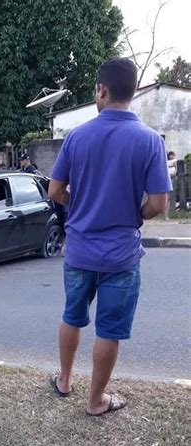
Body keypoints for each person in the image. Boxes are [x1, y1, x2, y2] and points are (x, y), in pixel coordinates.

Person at [48, 57, 170, 416]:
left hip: (79, 252)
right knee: (109, 330)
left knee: (72, 317)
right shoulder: (149, 141)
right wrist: (135, 214)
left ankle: (65, 381)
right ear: (131, 92)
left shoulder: (77, 136)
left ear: (101, 90)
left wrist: (79, 203)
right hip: (121, 256)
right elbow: (160, 203)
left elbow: (56, 190)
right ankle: (96, 400)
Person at [166, 151, 177, 219]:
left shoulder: (174, 161)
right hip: (167, 177)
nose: (171, 157)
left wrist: (175, 173)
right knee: (168, 197)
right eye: (170, 155)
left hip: (172, 176)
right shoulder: (166, 161)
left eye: (172, 155)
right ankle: (166, 214)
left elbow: (176, 168)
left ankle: (171, 212)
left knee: (171, 196)